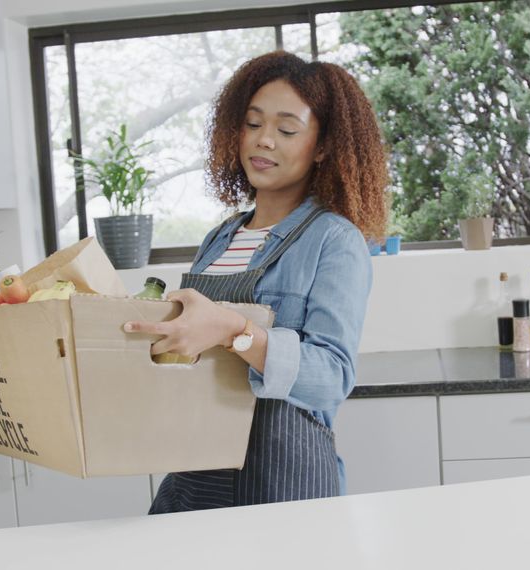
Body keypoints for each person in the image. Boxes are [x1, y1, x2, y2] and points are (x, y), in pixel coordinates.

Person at [122, 50, 388, 512]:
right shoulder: (220, 238)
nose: (263, 140)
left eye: (286, 129)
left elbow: (331, 378)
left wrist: (235, 333)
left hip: (283, 482)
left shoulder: (334, 240)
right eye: (252, 123)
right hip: (195, 471)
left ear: (323, 146)